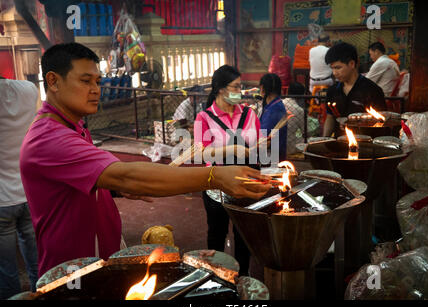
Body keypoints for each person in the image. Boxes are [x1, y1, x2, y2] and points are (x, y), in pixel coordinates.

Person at [20, 43, 271, 278]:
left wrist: (115, 189)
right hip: (72, 270)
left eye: (97, 81)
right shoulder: (50, 138)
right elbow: (126, 175)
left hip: (95, 258)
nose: (96, 89)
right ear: (52, 81)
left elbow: (90, 180)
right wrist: (213, 178)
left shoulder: (74, 127)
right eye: (85, 81)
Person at [194, 65, 261, 276]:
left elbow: (256, 146)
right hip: (216, 182)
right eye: (236, 86)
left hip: (247, 181)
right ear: (220, 89)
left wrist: (260, 148)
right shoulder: (203, 118)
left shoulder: (250, 114)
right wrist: (231, 149)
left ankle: (241, 279)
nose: (240, 91)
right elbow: (200, 154)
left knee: (244, 234)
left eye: (240, 86)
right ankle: (214, 277)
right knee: (217, 232)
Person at [0, 76, 39, 299]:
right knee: (36, 264)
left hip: (2, 200)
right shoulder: (28, 89)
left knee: (6, 272)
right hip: (29, 192)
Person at [323, 42, 387, 137]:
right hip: (339, 143)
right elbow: (330, 117)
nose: (334, 73)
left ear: (352, 64)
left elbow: (380, 121)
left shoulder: (372, 90)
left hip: (365, 144)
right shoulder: (333, 91)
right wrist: (324, 140)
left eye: (338, 68)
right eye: (332, 68)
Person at [259, 73, 288, 161]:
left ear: (263, 89)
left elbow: (263, 136)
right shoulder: (275, 105)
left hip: (271, 158)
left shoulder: (274, 110)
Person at [282, 82, 306, 155]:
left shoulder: (280, 103)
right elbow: (305, 132)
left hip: (274, 144)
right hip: (289, 147)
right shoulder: (299, 110)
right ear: (301, 96)